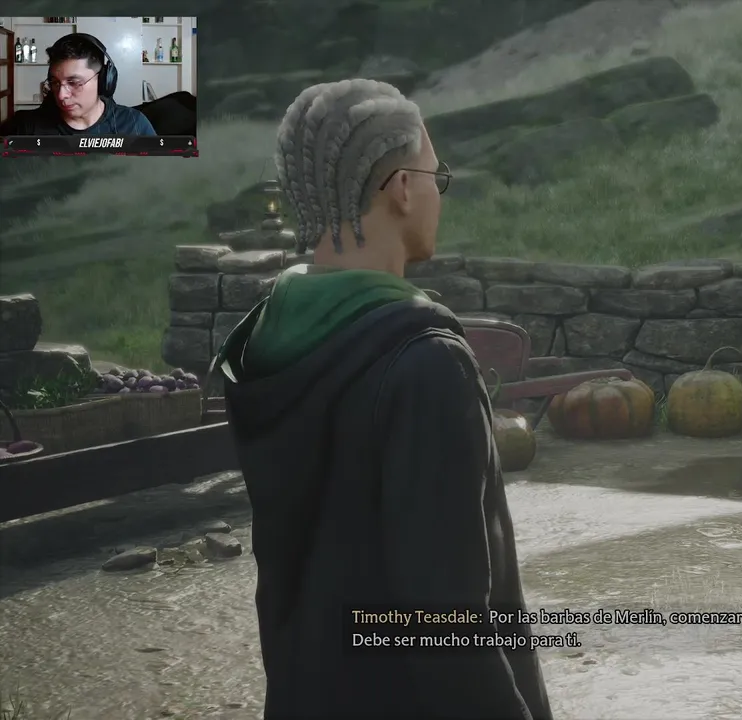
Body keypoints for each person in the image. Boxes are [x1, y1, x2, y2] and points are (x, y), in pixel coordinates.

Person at [211, 80, 552, 719]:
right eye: (435, 176)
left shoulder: (268, 343)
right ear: (401, 188)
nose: (437, 193)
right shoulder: (427, 364)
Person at [0, 33, 156, 137]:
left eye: (74, 83)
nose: (61, 95)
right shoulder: (27, 127)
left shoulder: (134, 125)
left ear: (103, 81)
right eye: (55, 82)